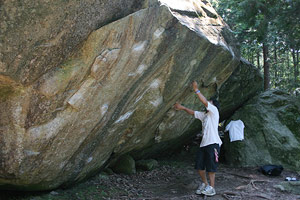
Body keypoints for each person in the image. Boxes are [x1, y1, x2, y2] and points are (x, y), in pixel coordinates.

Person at [174, 81, 222, 196]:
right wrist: (182, 108)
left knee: (211, 167)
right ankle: (205, 184)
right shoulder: (205, 115)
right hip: (203, 144)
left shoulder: (214, 111)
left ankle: (212, 188)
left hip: (213, 143)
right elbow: (193, 113)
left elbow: (205, 102)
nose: (207, 104)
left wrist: (196, 90)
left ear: (213, 105)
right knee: (199, 166)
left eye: (210, 103)